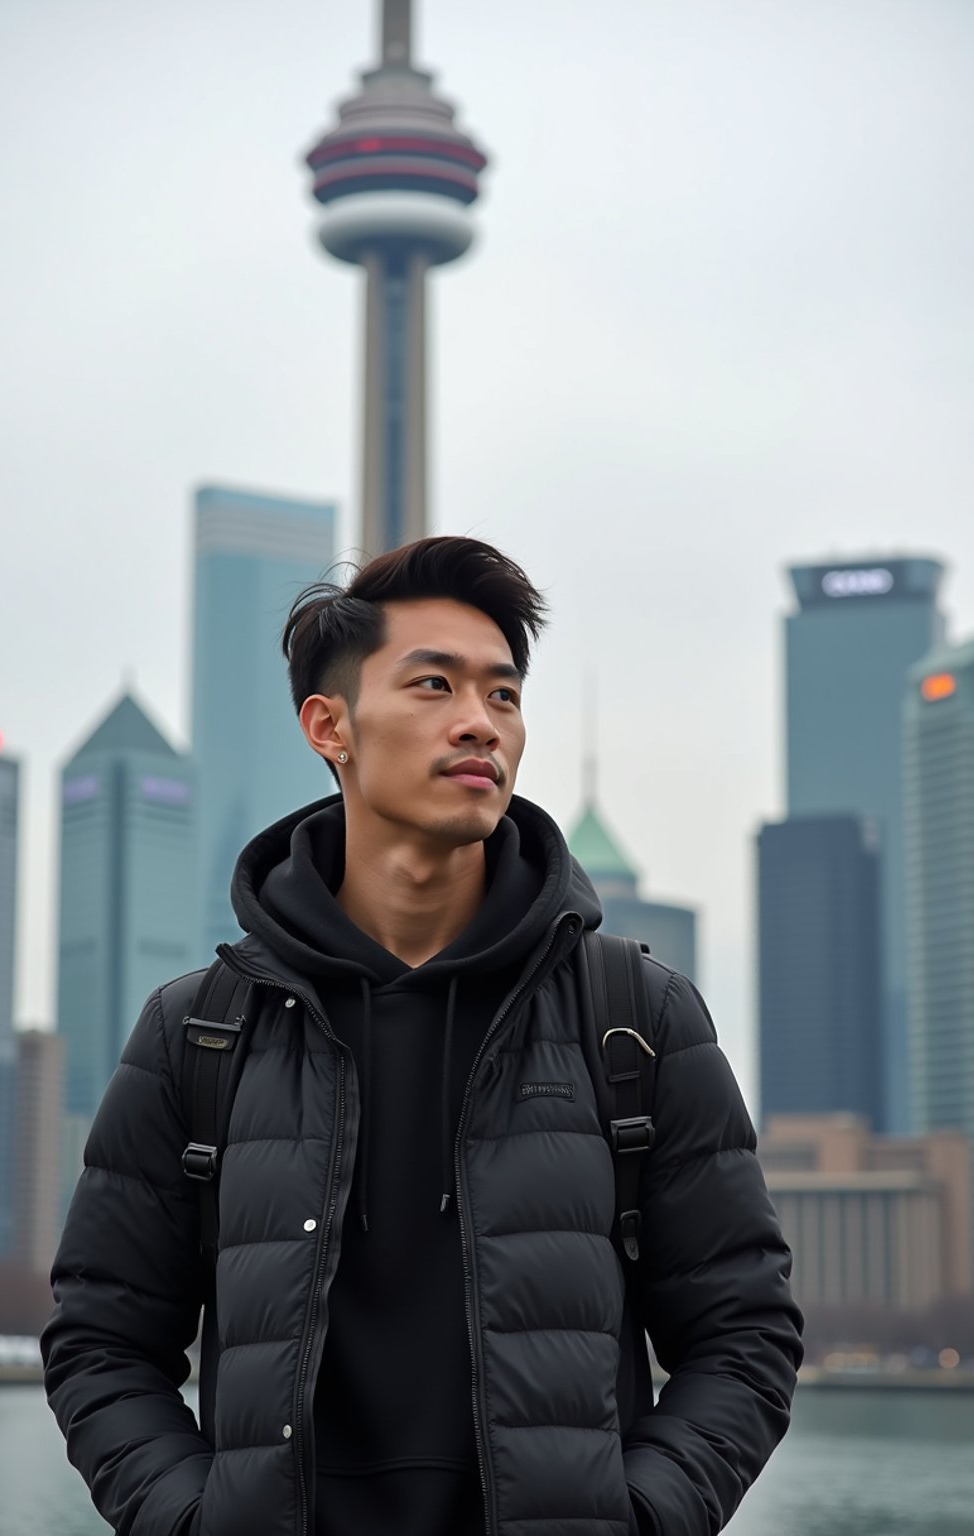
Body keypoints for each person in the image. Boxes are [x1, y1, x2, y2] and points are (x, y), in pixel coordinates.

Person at [42, 535, 804, 1536]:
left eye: (502, 694)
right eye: (434, 686)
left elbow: (744, 1334)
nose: (478, 723)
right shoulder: (199, 1032)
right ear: (330, 726)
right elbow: (100, 1341)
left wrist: (642, 1516)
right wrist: (191, 1518)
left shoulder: (634, 1018)